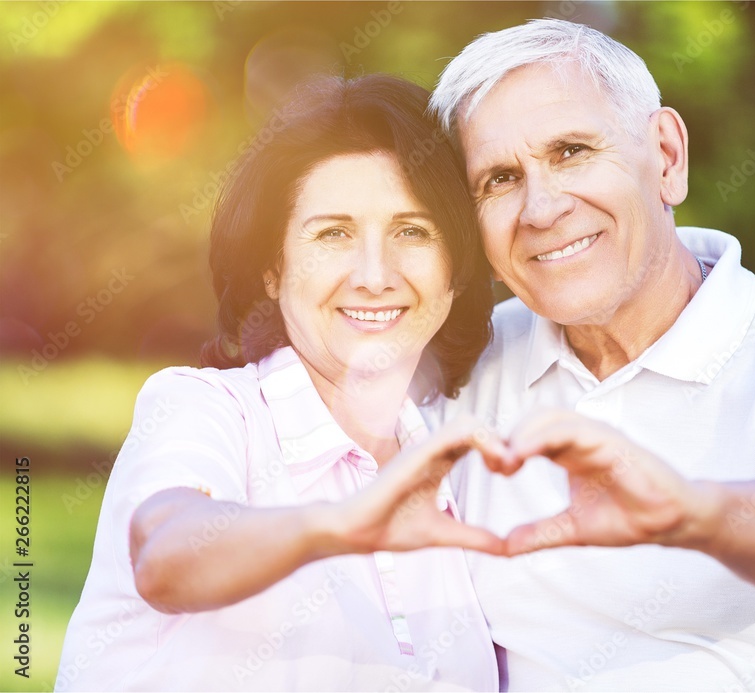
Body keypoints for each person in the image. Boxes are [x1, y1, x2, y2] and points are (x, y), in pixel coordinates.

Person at [427, 18, 755, 690]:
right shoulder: (464, 364)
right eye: (500, 178)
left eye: (571, 151)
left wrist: (685, 511)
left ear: (666, 156)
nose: (541, 208)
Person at [56, 74, 507, 691]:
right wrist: (343, 522)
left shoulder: (458, 471)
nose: (375, 276)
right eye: (333, 234)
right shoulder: (205, 411)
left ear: (455, 268)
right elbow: (165, 553)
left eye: (413, 231)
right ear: (273, 268)